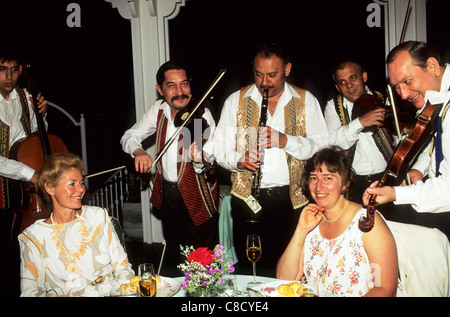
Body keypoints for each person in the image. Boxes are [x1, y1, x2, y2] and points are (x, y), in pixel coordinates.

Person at [203, 43, 329, 277]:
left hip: (293, 199)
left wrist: (286, 141)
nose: (264, 82)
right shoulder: (235, 101)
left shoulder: (305, 100)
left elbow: (322, 148)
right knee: (253, 266)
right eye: (259, 74)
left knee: (292, 266)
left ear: (287, 69)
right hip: (247, 199)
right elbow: (217, 148)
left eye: (272, 75)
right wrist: (238, 160)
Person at [120, 60, 220, 277]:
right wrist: (138, 152)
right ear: (160, 90)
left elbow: (211, 160)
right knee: (175, 253)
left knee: (202, 261)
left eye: (184, 84)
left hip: (197, 194)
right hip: (169, 195)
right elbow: (129, 136)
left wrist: (201, 156)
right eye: (171, 86)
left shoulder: (200, 114)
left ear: (190, 84)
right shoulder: (158, 110)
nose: (180, 92)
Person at [276, 147, 406, 297]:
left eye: (328, 178)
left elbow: (385, 288)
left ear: (344, 183)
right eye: (313, 177)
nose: (319, 186)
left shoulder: (367, 221)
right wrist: (300, 231)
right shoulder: (312, 222)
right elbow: (284, 280)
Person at [363, 41, 450, 239]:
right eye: (396, 87)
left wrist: (396, 194)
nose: (402, 94)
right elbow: (436, 142)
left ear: (433, 67)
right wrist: (420, 167)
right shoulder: (437, 96)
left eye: (407, 81)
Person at [18, 152, 134, 296]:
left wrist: (119, 291)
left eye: (81, 183)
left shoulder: (98, 216)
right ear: (50, 188)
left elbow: (124, 270)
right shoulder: (33, 237)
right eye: (72, 184)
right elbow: (30, 293)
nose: (81, 189)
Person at [0, 48, 48, 297]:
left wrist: (42, 114)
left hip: (24, 192)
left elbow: (36, 137)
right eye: (2, 69)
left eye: (14, 69)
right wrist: (29, 173)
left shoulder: (25, 96)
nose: (9, 76)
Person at [324, 60, 395, 204]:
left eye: (353, 78)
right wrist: (360, 122)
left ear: (364, 77)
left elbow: (400, 138)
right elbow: (332, 142)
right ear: (338, 87)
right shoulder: (333, 106)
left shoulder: (385, 99)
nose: (349, 86)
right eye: (342, 82)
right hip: (353, 183)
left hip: (388, 179)